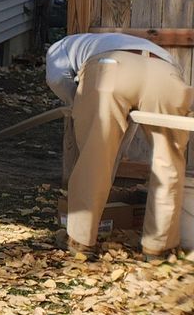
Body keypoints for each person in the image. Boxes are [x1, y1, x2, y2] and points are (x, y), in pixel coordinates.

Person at [44, 32, 194, 260]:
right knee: (169, 160)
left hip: (110, 69)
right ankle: (159, 248)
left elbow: (56, 79)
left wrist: (80, 103)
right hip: (166, 73)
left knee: (94, 157)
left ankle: (80, 241)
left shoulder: (60, 47)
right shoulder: (127, 42)